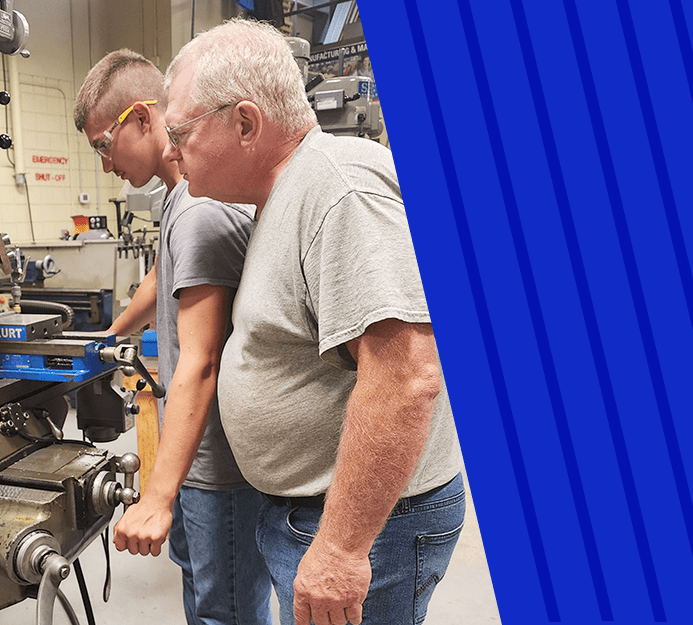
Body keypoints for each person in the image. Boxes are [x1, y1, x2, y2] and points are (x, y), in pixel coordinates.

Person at [161, 19, 465, 625]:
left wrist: (341, 550)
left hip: (369, 524)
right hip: (316, 509)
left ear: (245, 123)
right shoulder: (283, 194)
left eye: (180, 133)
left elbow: (406, 377)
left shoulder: (338, 188)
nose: (170, 151)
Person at [74, 49, 272, 625]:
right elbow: (166, 272)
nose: (104, 163)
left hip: (219, 461)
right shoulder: (179, 197)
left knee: (223, 613)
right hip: (198, 453)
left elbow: (201, 362)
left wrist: (157, 494)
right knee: (206, 599)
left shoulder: (199, 209)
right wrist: (107, 334)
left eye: (103, 144)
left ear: (142, 117)